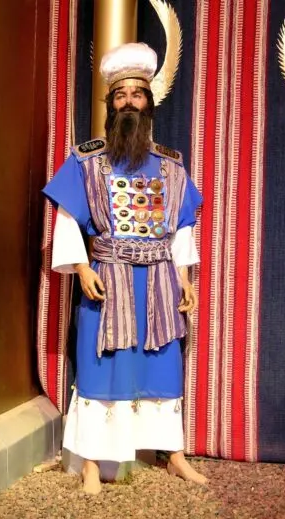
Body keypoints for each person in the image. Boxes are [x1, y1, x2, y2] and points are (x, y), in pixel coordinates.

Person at [42, 42, 205, 495]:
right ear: (110, 105)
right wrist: (81, 267)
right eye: (120, 95)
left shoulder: (171, 167)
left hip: (158, 282)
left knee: (162, 367)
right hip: (108, 280)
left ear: (149, 102)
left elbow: (182, 227)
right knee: (101, 368)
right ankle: (91, 464)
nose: (129, 101)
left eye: (137, 94)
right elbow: (67, 220)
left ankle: (173, 455)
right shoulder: (86, 161)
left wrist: (184, 278)